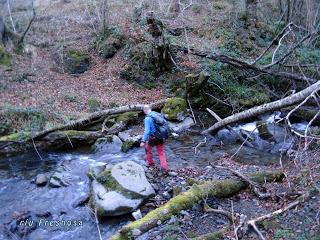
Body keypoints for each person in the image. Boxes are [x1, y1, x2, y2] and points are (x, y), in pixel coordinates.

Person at [140, 105, 168, 171]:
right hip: (161, 136)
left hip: (153, 137)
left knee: (148, 149)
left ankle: (150, 164)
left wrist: (143, 141)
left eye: (143, 110)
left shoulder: (147, 118)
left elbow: (147, 131)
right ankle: (165, 168)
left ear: (145, 110)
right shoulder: (157, 114)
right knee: (161, 153)